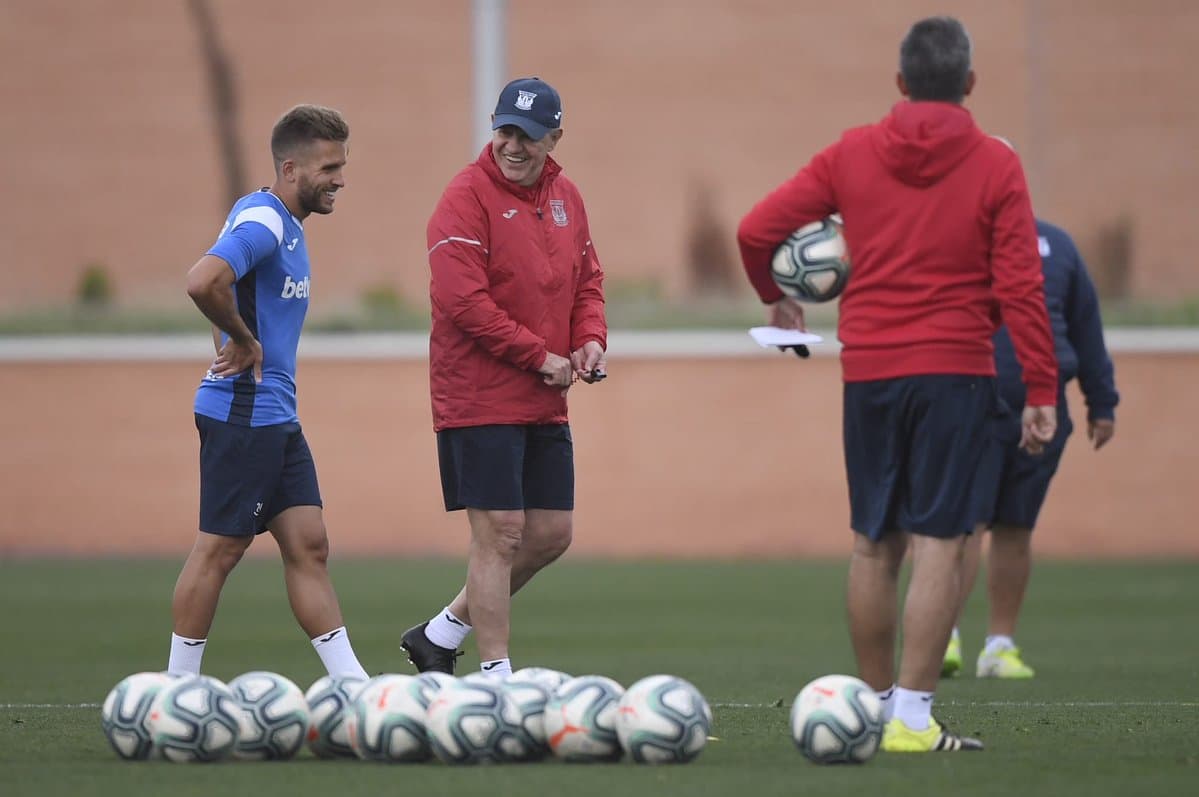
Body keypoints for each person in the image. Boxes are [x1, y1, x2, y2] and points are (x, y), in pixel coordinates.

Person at [737, 16, 1059, 753]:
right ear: (968, 85)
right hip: (957, 372)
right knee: (941, 543)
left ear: (899, 82)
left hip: (870, 372)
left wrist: (775, 297)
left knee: (872, 544)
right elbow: (1020, 287)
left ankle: (873, 707)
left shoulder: (850, 153)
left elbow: (756, 232)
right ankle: (911, 721)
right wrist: (1040, 388)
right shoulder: (994, 163)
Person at [400, 77, 607, 677]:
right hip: (477, 393)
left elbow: (587, 279)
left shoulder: (566, 194)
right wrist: (541, 355)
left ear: (555, 138)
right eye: (505, 131)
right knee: (501, 533)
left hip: (543, 395)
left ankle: (440, 633)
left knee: (551, 532)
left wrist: (590, 339)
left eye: (529, 135)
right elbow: (463, 303)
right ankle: (497, 680)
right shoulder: (463, 198)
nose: (513, 146)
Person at [167, 104, 369, 680]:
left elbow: (226, 287)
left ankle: (352, 687)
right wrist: (242, 340)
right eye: (329, 167)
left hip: (275, 416)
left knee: (309, 543)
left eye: (342, 165)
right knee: (220, 549)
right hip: (243, 411)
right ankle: (176, 689)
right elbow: (204, 280)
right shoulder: (267, 221)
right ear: (291, 168)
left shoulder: (275, 218)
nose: (340, 179)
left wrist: (235, 332)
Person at [942, 218, 1119, 679]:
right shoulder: (952, 236)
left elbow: (1086, 324)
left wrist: (1102, 401)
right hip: (973, 404)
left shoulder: (1058, 245)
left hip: (1044, 407)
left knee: (1017, 527)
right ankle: (944, 636)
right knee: (966, 525)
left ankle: (1000, 647)